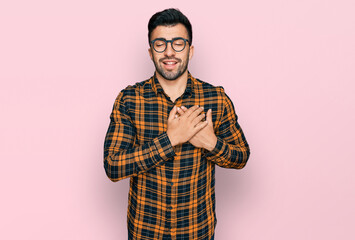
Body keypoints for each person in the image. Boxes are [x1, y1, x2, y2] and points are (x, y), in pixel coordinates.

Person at [103, 8, 250, 240]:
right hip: (145, 233)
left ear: (190, 50)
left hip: (197, 232)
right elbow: (113, 166)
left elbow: (241, 156)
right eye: (160, 44)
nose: (169, 52)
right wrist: (170, 139)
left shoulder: (216, 98)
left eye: (178, 43)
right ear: (150, 52)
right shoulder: (129, 99)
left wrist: (212, 144)